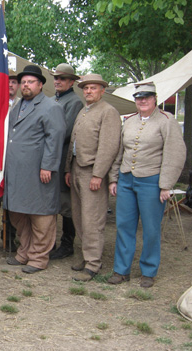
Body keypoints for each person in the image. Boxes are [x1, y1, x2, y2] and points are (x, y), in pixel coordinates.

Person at [107, 82, 185, 288]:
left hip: (151, 181)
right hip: (126, 180)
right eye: (138, 98)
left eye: (146, 97)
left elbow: (175, 154)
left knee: (151, 229)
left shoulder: (167, 121)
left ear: (155, 99)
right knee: (124, 226)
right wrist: (114, 178)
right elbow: (119, 152)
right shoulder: (130, 121)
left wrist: (166, 185)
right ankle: (121, 270)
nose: (142, 101)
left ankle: (148, 271)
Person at [3, 65, 66, 274]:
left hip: (39, 172)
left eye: (30, 82)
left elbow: (54, 139)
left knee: (41, 216)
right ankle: (24, 252)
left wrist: (48, 166)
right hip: (17, 172)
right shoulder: (18, 105)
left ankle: (38, 258)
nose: (26, 85)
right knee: (19, 214)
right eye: (23, 82)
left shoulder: (51, 107)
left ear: (40, 85)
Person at [64, 73, 121, 281]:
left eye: (93, 88)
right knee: (79, 217)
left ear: (102, 90)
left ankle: (93, 264)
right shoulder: (84, 110)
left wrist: (98, 174)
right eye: (86, 88)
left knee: (92, 219)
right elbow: (74, 142)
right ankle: (87, 257)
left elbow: (108, 147)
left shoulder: (108, 112)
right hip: (77, 168)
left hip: (92, 171)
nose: (88, 91)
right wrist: (68, 168)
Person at [49, 63, 84, 260]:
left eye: (62, 78)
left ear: (71, 82)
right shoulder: (51, 99)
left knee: (66, 205)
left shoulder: (74, 102)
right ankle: (49, 241)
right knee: (51, 202)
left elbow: (65, 131)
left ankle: (67, 243)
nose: (58, 81)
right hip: (49, 158)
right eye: (56, 78)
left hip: (62, 159)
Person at [0, 69, 19, 251]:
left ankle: (9, 238)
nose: (10, 85)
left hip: (15, 159)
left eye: (14, 82)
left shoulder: (22, 104)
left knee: (12, 201)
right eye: (8, 81)